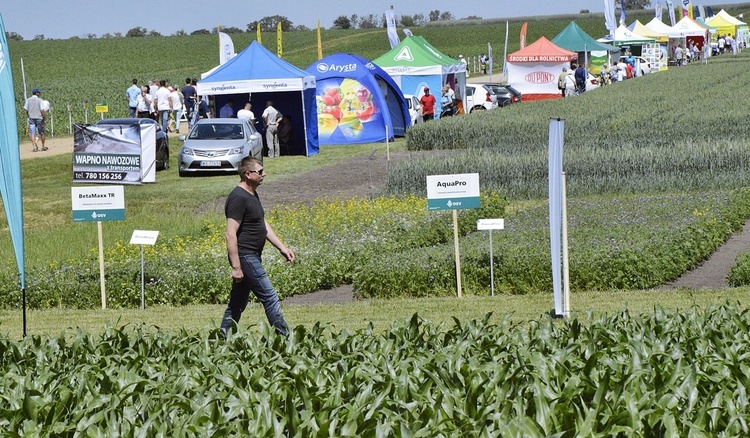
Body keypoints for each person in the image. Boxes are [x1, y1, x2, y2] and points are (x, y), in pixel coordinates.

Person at [220, 157, 293, 338]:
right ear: (248, 174)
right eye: (260, 172)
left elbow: (261, 224)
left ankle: (221, 339)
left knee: (237, 303)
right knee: (269, 297)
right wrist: (236, 267)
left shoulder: (252, 194)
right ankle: (285, 338)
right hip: (246, 256)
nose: (264, 174)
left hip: (252, 256)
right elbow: (230, 234)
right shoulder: (238, 197)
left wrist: (281, 247)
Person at [24, 88, 45, 152]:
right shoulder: (40, 100)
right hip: (39, 118)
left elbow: (26, 109)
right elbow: (42, 110)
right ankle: (43, 146)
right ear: (37, 93)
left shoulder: (28, 100)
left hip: (31, 118)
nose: (40, 94)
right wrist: (44, 118)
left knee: (32, 133)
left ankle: (34, 147)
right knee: (42, 132)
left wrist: (28, 115)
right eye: (39, 92)